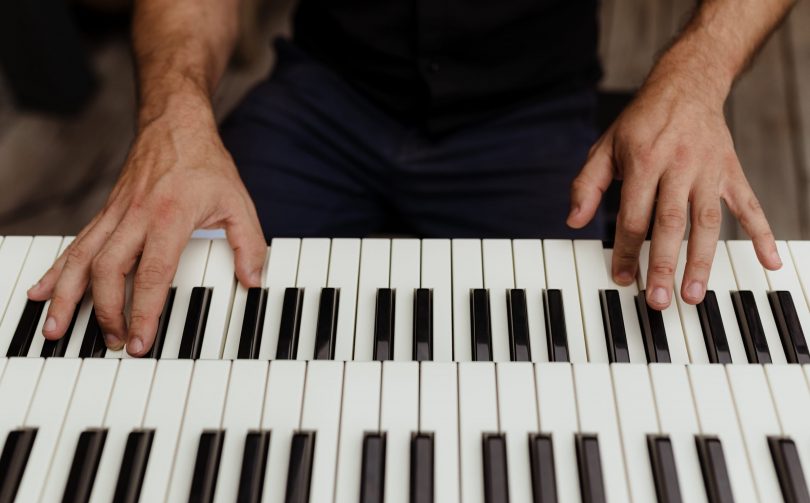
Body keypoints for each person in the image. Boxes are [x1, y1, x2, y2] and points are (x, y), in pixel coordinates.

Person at [29, 0, 791, 357]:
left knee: (573, 372)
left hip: (528, 113)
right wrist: (173, 116)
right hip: (327, 96)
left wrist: (695, 75)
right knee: (160, 317)